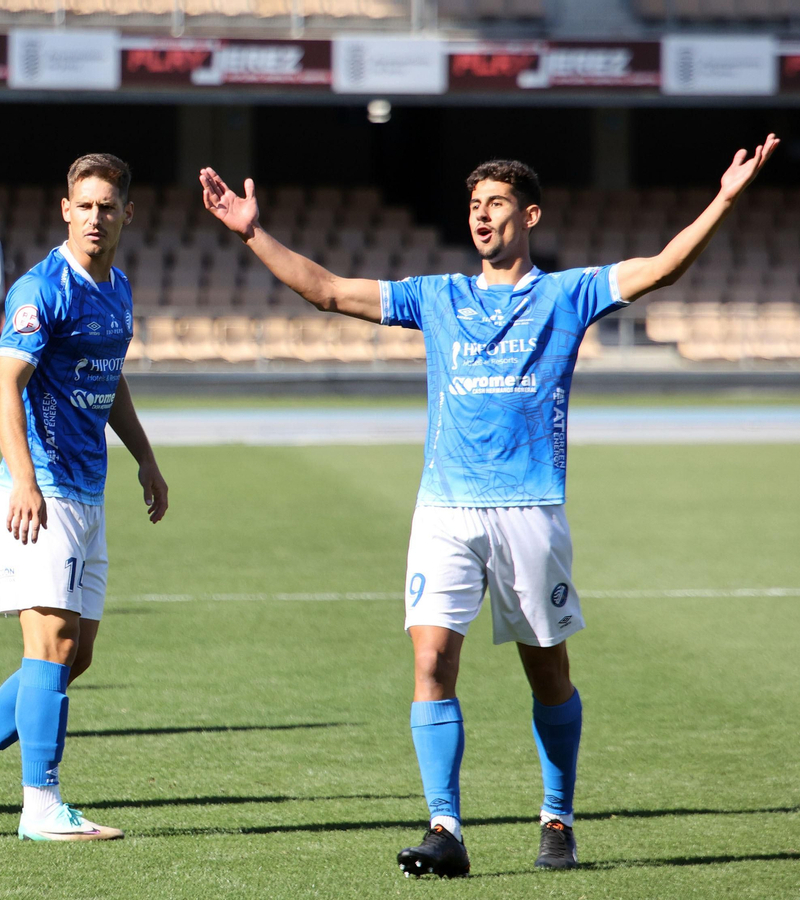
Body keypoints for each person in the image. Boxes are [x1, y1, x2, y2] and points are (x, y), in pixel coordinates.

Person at [198, 133, 779, 876]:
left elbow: (663, 267)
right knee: (432, 659)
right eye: (473, 205)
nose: (481, 216)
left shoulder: (567, 294)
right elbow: (331, 290)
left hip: (530, 508)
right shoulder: (437, 297)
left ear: (529, 215)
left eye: (497, 203)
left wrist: (724, 199)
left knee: (548, 674)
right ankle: (445, 829)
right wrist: (253, 233)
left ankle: (558, 818)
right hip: (445, 509)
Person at [0, 153, 169, 842]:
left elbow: (109, 380)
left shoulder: (116, 288)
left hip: (91, 492)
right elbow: (4, 385)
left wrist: (145, 457)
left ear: (126, 212)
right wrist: (23, 477)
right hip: (42, 491)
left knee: (73, 655)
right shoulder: (40, 289)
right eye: (83, 205)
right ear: (66, 209)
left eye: (107, 206)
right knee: (50, 646)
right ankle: (41, 804)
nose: (95, 216)